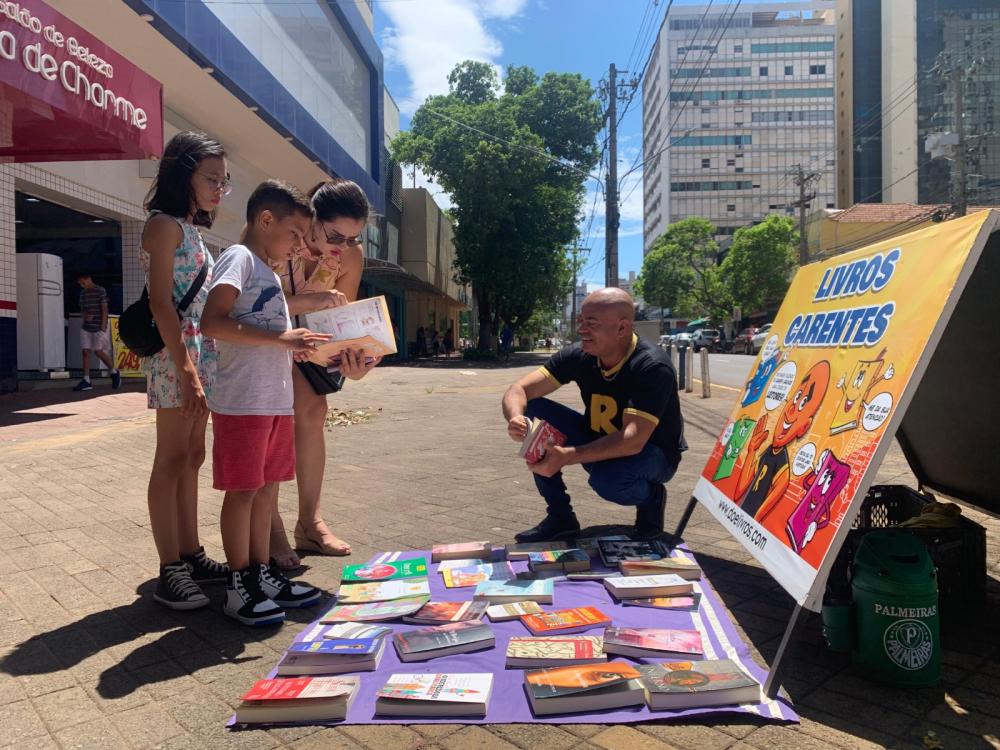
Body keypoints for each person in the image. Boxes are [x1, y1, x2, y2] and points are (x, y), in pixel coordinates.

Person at [201, 179, 327, 626]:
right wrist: (280, 338)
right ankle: (240, 583)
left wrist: (293, 345)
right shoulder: (239, 259)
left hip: (274, 401)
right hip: (242, 403)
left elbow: (269, 336)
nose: (299, 245)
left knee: (267, 489)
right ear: (265, 220)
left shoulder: (269, 272)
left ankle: (261, 572)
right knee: (244, 492)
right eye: (295, 234)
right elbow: (211, 321)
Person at [502, 288, 687, 542]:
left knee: (609, 480)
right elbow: (519, 390)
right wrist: (516, 418)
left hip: (653, 454)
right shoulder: (580, 355)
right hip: (599, 438)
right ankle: (560, 518)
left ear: (621, 329)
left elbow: (633, 440)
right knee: (533, 409)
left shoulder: (651, 366)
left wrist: (567, 456)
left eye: (591, 323)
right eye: (581, 321)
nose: (582, 330)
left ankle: (651, 498)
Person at [268, 179, 381, 569]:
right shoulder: (282, 236)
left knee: (313, 414)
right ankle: (271, 527)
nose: (343, 247)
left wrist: (359, 360)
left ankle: (310, 522)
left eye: (353, 239)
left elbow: (342, 319)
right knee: (274, 423)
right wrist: (310, 300)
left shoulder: (349, 256)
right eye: (336, 234)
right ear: (313, 216)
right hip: (261, 340)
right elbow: (250, 299)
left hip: (308, 348)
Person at [140, 131, 232, 610]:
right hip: (177, 356)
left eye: (224, 181)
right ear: (183, 174)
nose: (219, 188)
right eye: (211, 178)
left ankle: (190, 553)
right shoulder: (163, 225)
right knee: (171, 458)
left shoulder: (191, 228)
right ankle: (168, 568)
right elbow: (160, 303)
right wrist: (189, 370)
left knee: (193, 456)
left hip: (201, 356)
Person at [73, 271, 121, 391]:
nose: (82, 285)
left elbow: (105, 309)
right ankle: (86, 380)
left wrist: (103, 327)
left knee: (98, 352)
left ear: (88, 278)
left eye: (83, 282)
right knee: (85, 352)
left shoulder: (100, 291)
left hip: (99, 326)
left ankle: (114, 372)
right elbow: (82, 310)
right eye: (80, 284)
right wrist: (85, 316)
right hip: (86, 327)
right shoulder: (83, 294)